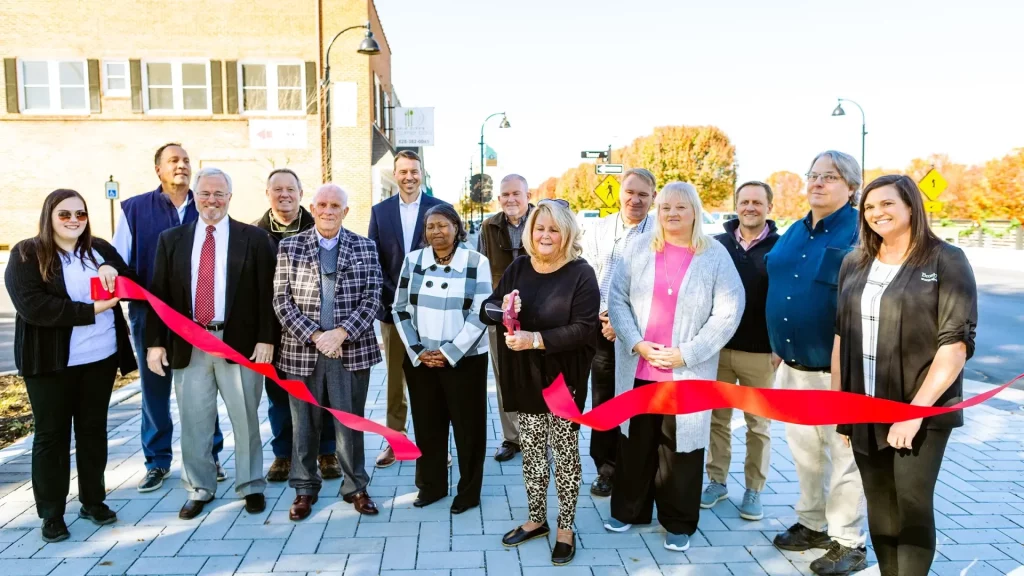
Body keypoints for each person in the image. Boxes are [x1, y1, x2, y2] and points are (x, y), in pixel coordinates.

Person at [834, 175, 977, 576]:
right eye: (869, 207)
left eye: (887, 204)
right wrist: (838, 404)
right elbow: (840, 336)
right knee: (880, 507)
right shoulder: (854, 262)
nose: (876, 213)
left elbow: (956, 345)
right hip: (864, 406)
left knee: (911, 504)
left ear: (911, 206)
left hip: (921, 409)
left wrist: (914, 412)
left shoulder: (945, 260)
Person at [604, 182, 744, 552]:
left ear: (695, 211)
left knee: (681, 450)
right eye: (665, 207)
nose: (672, 214)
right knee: (636, 443)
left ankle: (679, 520)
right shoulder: (638, 249)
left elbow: (728, 312)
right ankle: (629, 510)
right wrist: (635, 341)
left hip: (686, 373)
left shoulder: (714, 255)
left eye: (681, 207)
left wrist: (688, 352)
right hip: (639, 366)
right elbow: (616, 298)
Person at [5, 189, 138, 542]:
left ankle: (93, 501)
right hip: (51, 364)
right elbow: (33, 306)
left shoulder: (99, 248)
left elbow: (128, 278)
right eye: (64, 214)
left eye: (80, 213)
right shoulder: (26, 253)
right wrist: (91, 311)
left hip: (100, 358)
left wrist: (112, 266)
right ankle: (51, 513)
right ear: (49, 216)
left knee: (93, 431)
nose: (74, 220)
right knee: (52, 436)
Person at [145, 167, 275, 519]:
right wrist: (155, 344)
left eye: (219, 194)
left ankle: (251, 485)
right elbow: (159, 296)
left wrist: (267, 338)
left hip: (240, 345)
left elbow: (268, 294)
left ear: (229, 198)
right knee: (194, 420)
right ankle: (199, 487)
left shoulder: (255, 238)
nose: (212, 200)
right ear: (195, 197)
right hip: (190, 345)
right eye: (205, 193)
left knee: (246, 419)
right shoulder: (172, 240)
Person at [480, 198, 600, 566]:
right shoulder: (518, 267)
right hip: (526, 377)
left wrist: (535, 338)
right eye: (539, 228)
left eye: (553, 229)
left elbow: (584, 328)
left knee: (564, 455)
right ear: (530, 232)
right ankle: (536, 519)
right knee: (532, 451)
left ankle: (566, 527)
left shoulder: (581, 273)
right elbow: (488, 307)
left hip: (563, 380)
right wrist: (506, 310)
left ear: (567, 233)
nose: (545, 235)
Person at [765, 150, 867, 575]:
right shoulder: (793, 231)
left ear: (851, 187)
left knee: (843, 456)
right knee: (805, 452)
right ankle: (812, 524)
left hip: (838, 372)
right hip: (792, 367)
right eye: (814, 175)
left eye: (830, 177)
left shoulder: (860, 232)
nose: (818, 183)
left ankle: (849, 541)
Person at [112, 142, 224, 492]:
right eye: (173, 161)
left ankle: (210, 456)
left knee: (205, 386)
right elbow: (119, 263)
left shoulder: (206, 204)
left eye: (187, 160)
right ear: (158, 169)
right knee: (155, 389)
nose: (182, 166)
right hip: (151, 317)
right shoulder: (133, 209)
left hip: (199, 317)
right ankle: (157, 461)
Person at [273, 183, 383, 520]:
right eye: (322, 204)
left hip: (350, 350)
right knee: (303, 424)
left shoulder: (365, 247)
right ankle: (304, 488)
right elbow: (281, 300)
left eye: (336, 205)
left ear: (346, 211)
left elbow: (373, 297)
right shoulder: (290, 247)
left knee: (349, 422)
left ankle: (356, 487)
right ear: (313, 207)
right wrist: (316, 335)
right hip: (303, 351)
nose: (328, 211)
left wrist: (341, 333)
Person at [393, 204, 492, 514]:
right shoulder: (413, 261)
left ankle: (469, 491)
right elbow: (399, 308)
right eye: (430, 227)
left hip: (465, 359)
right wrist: (418, 350)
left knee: (468, 428)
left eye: (443, 225)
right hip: (422, 359)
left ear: (456, 227)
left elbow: (482, 312)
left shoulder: (476, 262)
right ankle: (431, 486)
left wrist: (450, 352)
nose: (436, 232)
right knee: (427, 424)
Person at [254, 168, 340, 482]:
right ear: (268, 194)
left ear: (301, 194)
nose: (284, 194)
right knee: (280, 396)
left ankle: (327, 451)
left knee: (324, 394)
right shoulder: (253, 234)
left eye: (290, 188)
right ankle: (284, 455)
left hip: (317, 331)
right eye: (277, 189)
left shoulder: (321, 226)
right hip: (273, 333)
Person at [702, 181, 780, 520]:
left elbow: (784, 299)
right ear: (736, 205)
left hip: (760, 352)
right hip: (717, 350)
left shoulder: (780, 248)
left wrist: (779, 346)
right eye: (744, 201)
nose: (750, 207)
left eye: (757, 202)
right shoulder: (715, 245)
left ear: (768, 207)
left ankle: (754, 490)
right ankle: (716, 482)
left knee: (757, 425)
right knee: (717, 421)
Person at [368, 150, 448, 468]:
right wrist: (395, 298)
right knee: (394, 380)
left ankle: (439, 444)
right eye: (402, 171)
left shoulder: (440, 209)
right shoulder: (380, 212)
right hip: (391, 310)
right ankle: (395, 440)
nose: (409, 177)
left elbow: (448, 257)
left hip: (433, 311)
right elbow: (375, 262)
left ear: (422, 173)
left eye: (414, 171)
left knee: (434, 378)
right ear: (395, 173)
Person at [581, 167, 656, 497]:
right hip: (600, 329)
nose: (635, 199)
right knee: (604, 400)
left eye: (643, 194)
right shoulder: (598, 229)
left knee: (637, 400)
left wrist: (623, 323)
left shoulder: (659, 233)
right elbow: (587, 275)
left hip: (642, 332)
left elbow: (657, 286)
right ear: (620, 193)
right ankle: (606, 468)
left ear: (653, 198)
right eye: (630, 192)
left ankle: (638, 467)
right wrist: (604, 317)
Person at [477, 173, 532, 462]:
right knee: (505, 376)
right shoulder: (489, 226)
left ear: (528, 196)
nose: (511, 199)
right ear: (499, 199)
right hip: (501, 314)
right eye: (505, 195)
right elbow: (480, 267)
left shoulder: (543, 220)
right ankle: (512, 438)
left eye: (516, 194)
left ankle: (539, 434)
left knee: (538, 374)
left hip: (539, 312)